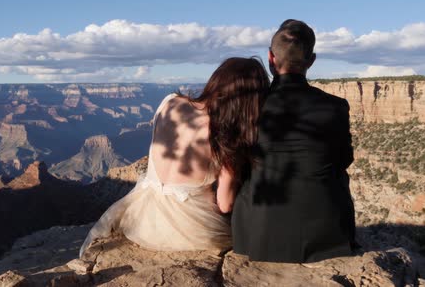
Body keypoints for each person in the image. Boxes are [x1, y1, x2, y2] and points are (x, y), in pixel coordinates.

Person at [79, 57, 270, 257]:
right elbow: (225, 203)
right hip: (192, 229)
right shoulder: (225, 134)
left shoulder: (170, 102)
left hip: (144, 218)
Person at [231, 19, 357, 263]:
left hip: (257, 232)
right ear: (311, 61)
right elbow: (344, 160)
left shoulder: (250, 105)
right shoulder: (335, 106)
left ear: (270, 58)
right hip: (328, 234)